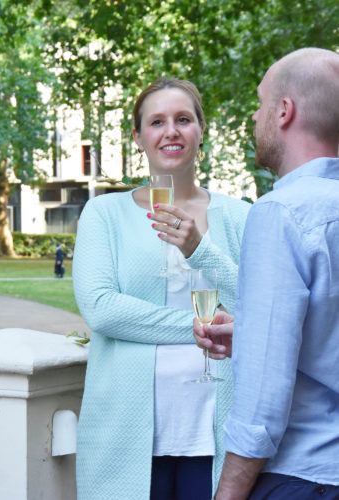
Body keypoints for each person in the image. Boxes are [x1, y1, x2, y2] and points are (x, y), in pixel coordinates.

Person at [73, 77, 251, 499]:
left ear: (201, 130)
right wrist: (197, 326)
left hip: (217, 437)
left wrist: (199, 250)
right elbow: (101, 308)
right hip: (124, 433)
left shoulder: (241, 216)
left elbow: (258, 306)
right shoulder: (104, 214)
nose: (171, 131)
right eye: (157, 122)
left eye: (183, 119)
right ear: (138, 137)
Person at [194, 48, 339, 499]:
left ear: (284, 111)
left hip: (305, 477)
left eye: (260, 104)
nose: (255, 117)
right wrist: (253, 336)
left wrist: (228, 494)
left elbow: (262, 399)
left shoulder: (281, 213)